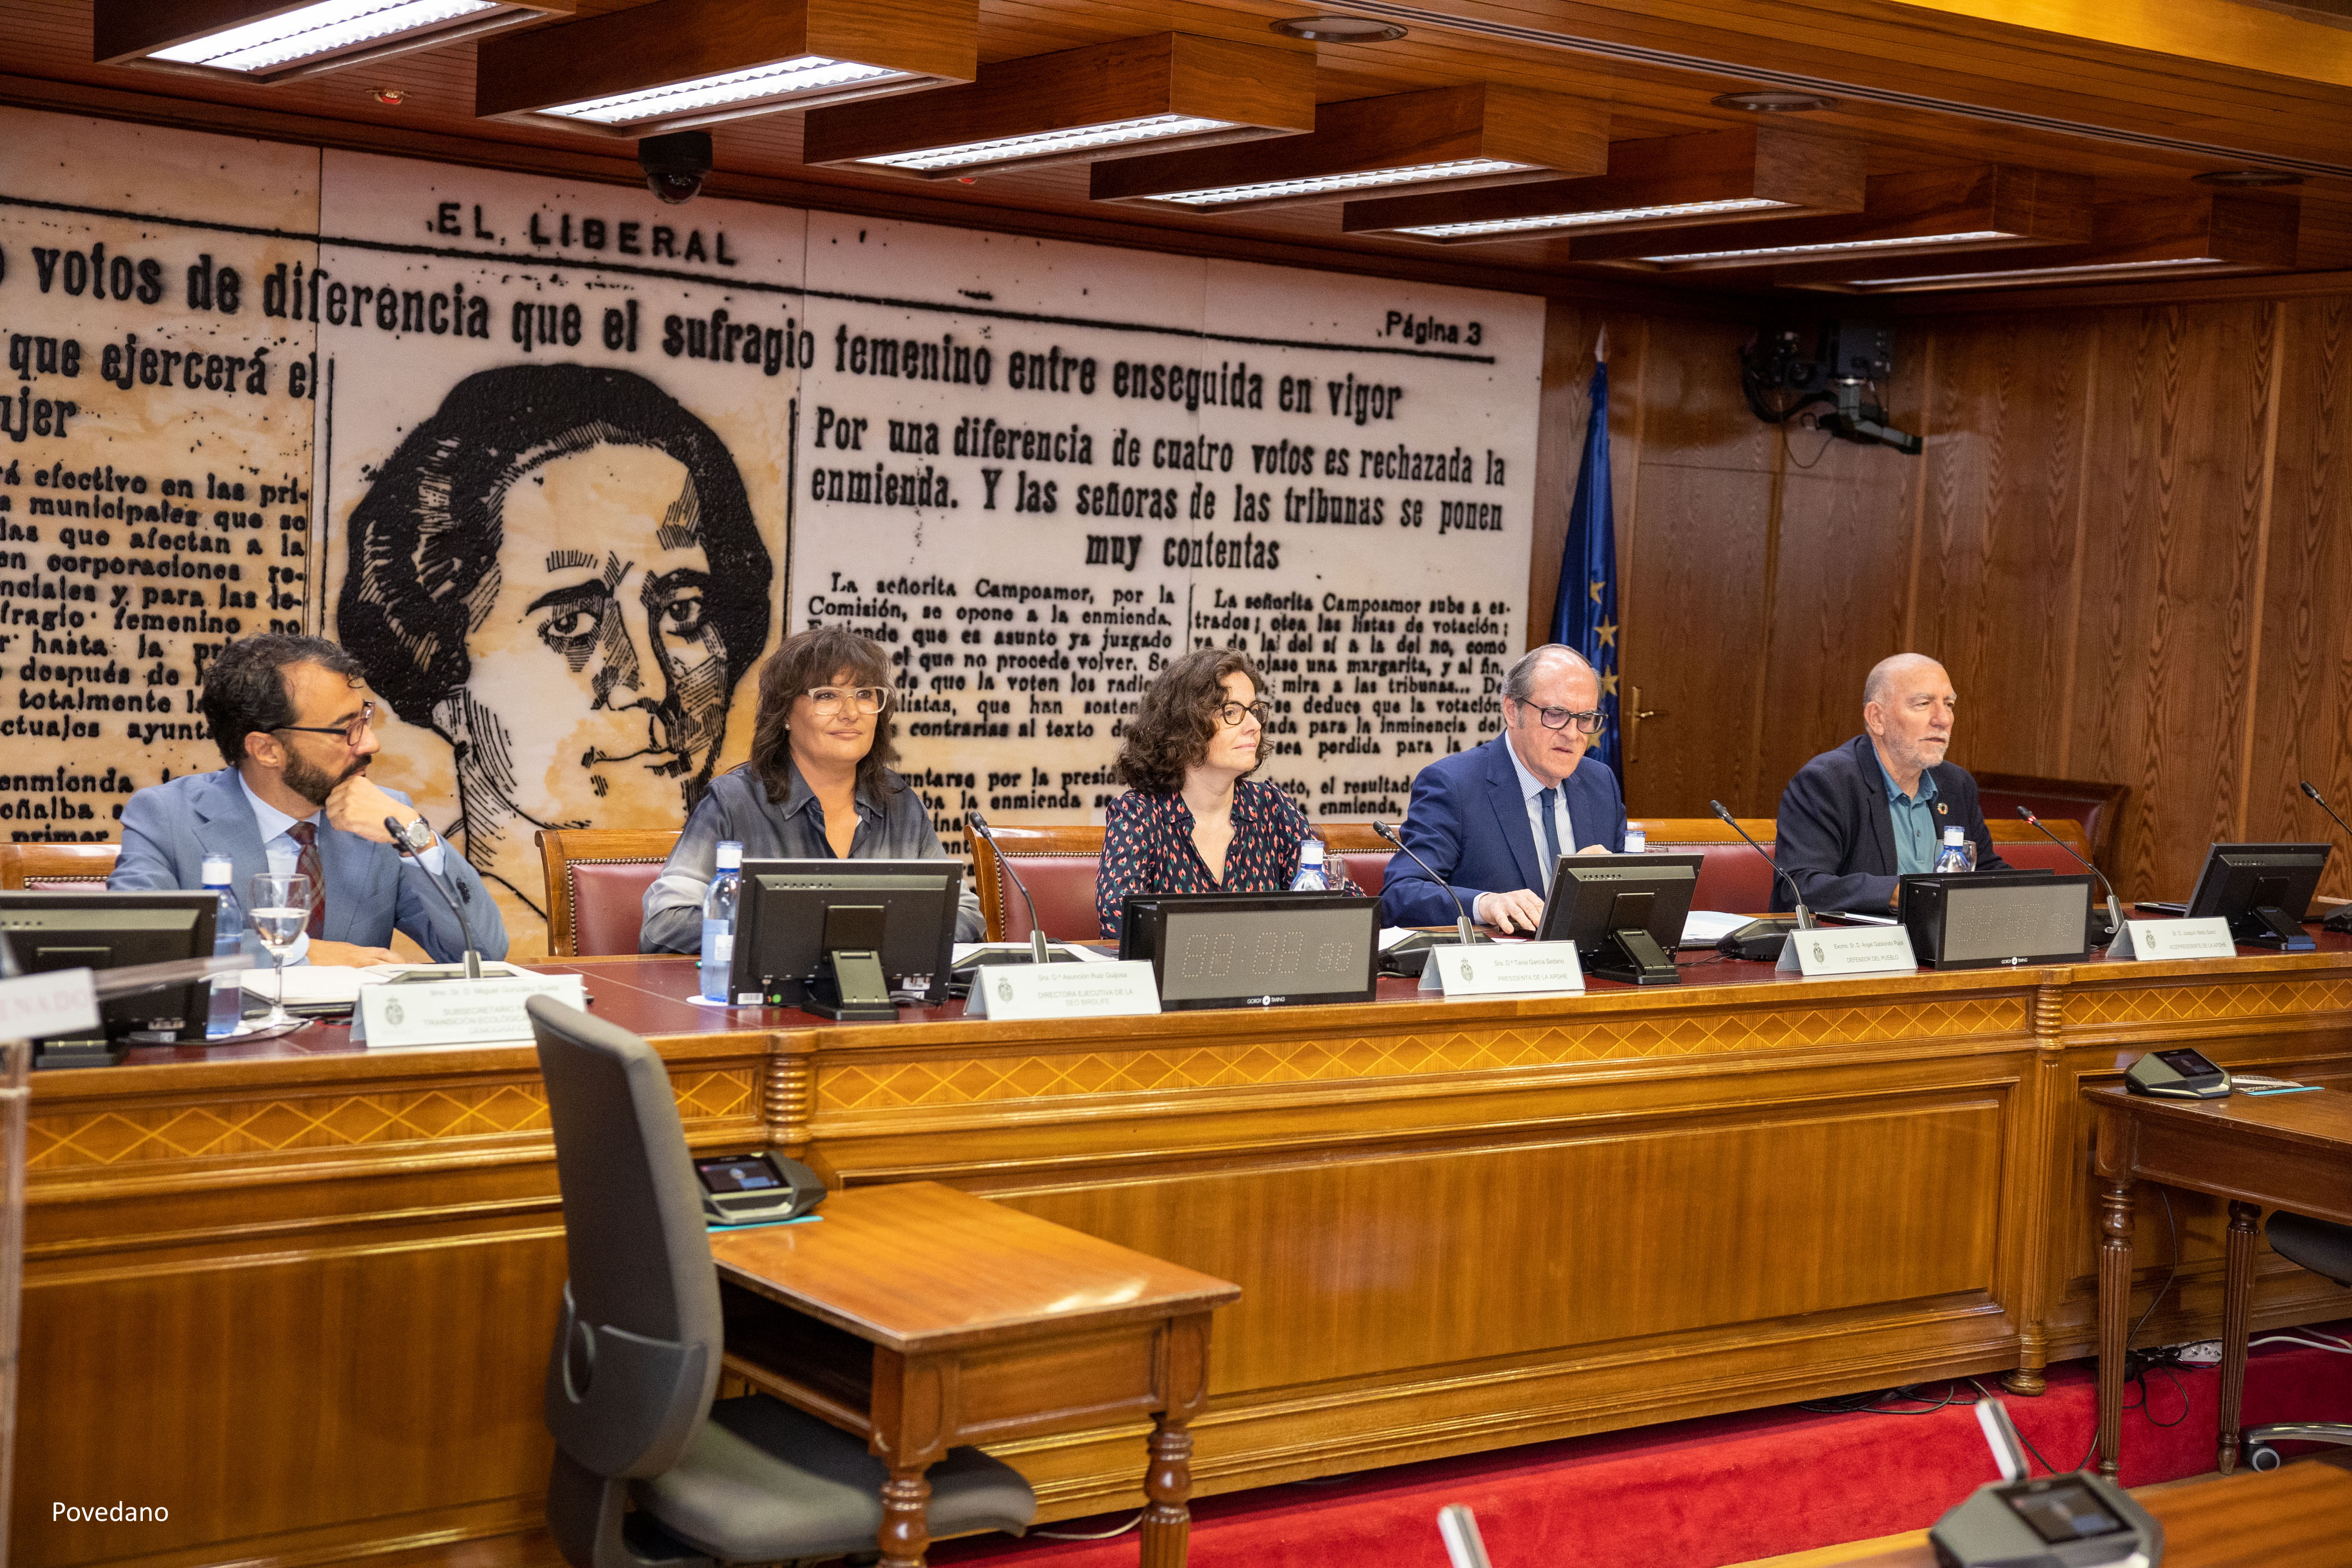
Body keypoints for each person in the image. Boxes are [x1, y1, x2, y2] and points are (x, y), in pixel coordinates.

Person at [338, 364, 773, 915]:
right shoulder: (408, 931)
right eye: (571, 625)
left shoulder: (757, 913)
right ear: (445, 683)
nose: (650, 682)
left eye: (682, 610)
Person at [110, 633, 509, 966]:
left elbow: (484, 953)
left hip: (353, 1052)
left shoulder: (385, 814)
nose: (371, 742)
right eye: (345, 730)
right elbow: (139, 946)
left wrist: (417, 837)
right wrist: (304, 953)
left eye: (364, 720)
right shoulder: (167, 817)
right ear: (266, 749)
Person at [640, 627, 981, 952]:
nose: (850, 713)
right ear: (785, 711)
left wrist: (854, 932)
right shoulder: (733, 802)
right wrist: (805, 929)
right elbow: (665, 922)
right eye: (827, 696)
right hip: (769, 1005)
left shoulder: (899, 804)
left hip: (878, 1003)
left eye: (864, 695)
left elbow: (965, 915)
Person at [1095, 647, 1358, 941]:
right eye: (1232, 712)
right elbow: (1121, 921)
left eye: (1254, 711)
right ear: (1185, 726)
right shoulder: (1139, 814)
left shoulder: (1271, 807)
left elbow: (1350, 908)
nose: (1255, 726)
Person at [1380, 645, 1626, 932]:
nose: (1572, 734)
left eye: (1585, 718)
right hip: (1498, 968)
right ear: (1512, 711)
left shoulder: (1600, 783)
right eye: (1555, 714)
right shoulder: (1454, 785)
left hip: (1590, 967)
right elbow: (1400, 896)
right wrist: (1485, 904)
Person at [1773, 652, 2009, 914]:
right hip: (1864, 947)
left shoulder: (1955, 783)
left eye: (1949, 704)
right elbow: (1798, 888)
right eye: (1923, 703)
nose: (1943, 719)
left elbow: (1985, 869)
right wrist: (1902, 893)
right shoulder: (1827, 781)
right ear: (1877, 718)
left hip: (1944, 945)